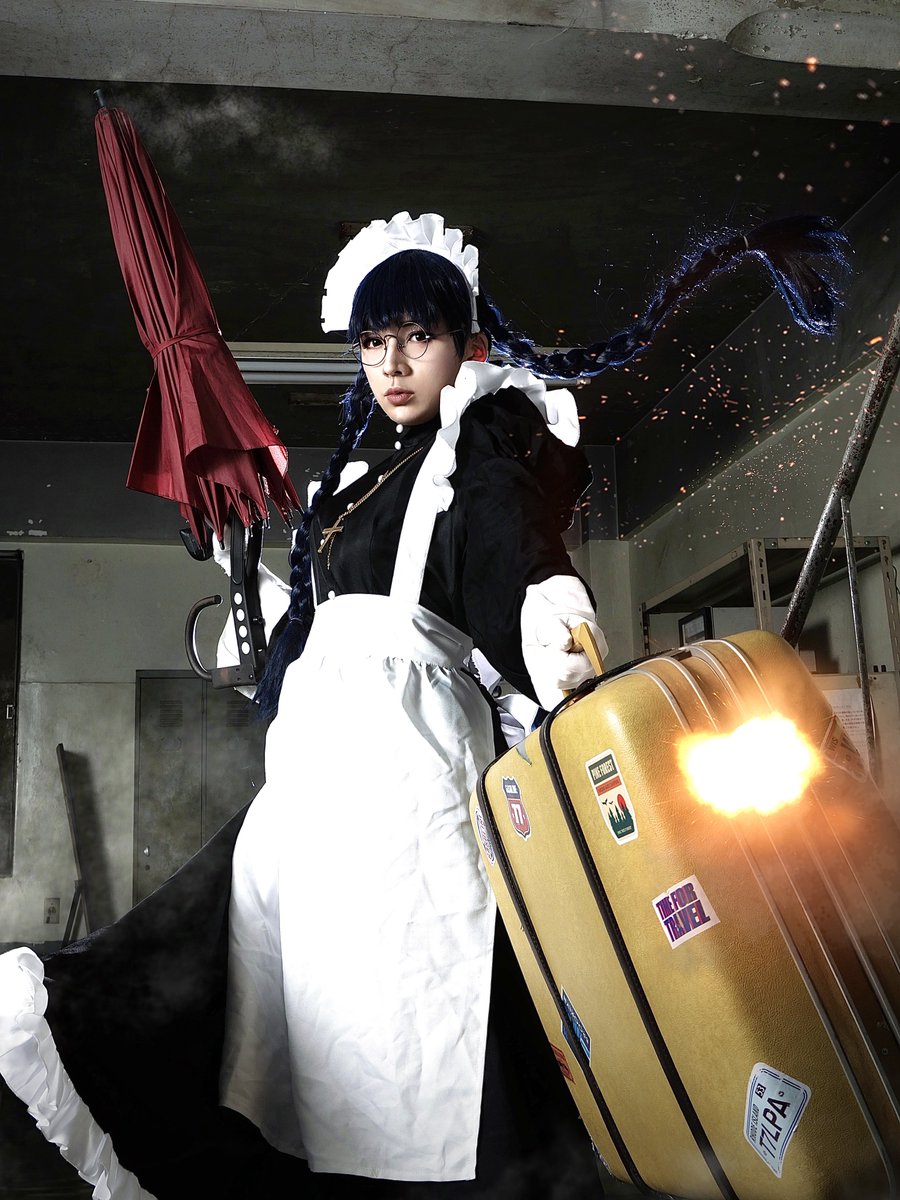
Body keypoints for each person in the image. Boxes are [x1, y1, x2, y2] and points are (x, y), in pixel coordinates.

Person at [0, 210, 847, 1200]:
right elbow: (321, 623)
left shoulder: (476, 454)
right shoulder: (356, 483)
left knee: (419, 1021)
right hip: (315, 787)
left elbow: (510, 548)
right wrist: (262, 605)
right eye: (373, 342)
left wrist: (546, 609)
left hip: (407, 773)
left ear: (462, 341)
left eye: (416, 336)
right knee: (291, 1021)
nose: (393, 363)